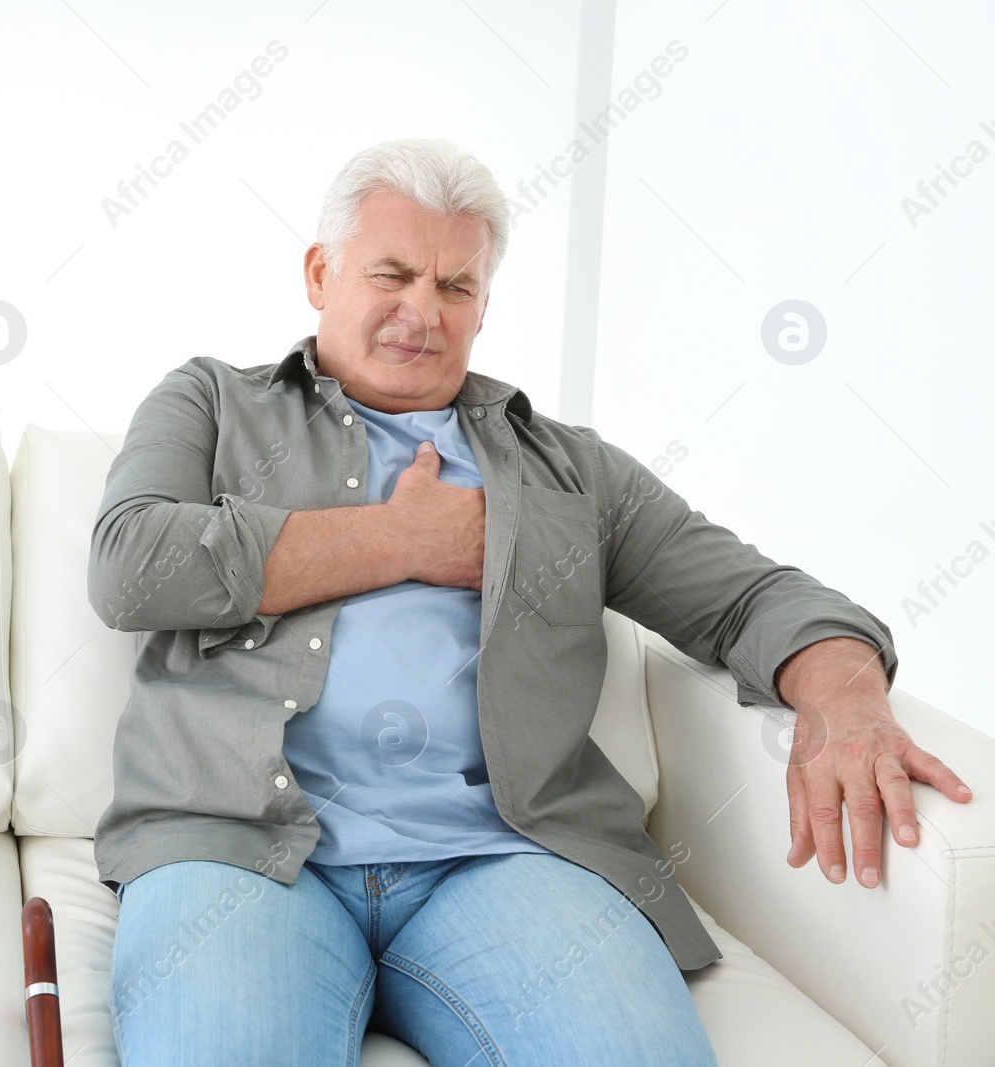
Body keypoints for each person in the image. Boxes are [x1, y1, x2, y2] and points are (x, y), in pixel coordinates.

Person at [86, 137, 973, 1066]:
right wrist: (404, 538)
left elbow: (749, 597)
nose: (421, 312)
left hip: (506, 856)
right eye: (391, 273)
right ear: (321, 272)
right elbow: (129, 565)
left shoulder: (571, 472)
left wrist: (848, 693)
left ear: (482, 306)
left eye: (455, 287)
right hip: (237, 846)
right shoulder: (212, 403)